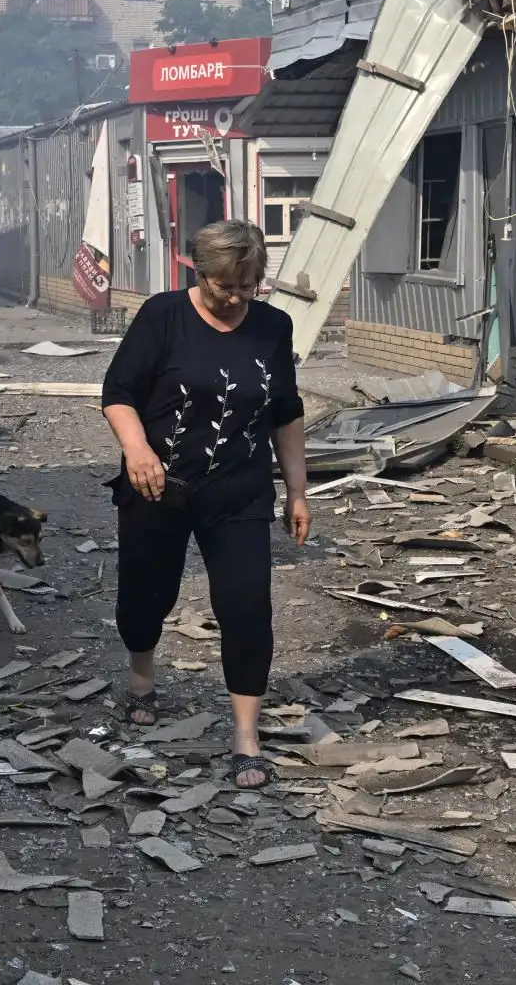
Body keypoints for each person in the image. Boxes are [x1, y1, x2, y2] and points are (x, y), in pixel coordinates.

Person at [99, 220, 310, 790]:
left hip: (238, 493)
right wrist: (138, 450)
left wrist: (296, 490)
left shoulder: (273, 327)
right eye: (225, 286)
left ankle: (245, 735)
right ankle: (141, 678)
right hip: (156, 488)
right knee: (147, 595)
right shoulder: (162, 316)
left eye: (248, 285)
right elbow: (118, 393)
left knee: (246, 605)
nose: (237, 297)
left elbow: (284, 413)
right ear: (199, 272)